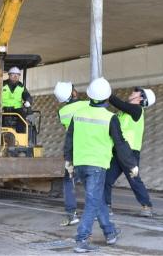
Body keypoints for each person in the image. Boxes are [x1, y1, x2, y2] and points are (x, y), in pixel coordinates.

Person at [64, 77, 139, 253]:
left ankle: (110, 232)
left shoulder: (78, 114)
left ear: (89, 95)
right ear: (107, 97)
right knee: (92, 202)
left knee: (96, 199)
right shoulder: (110, 118)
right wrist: (132, 165)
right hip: (97, 165)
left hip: (81, 164)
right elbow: (120, 144)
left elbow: (69, 139)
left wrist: (68, 161)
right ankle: (82, 239)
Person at [104, 87, 156, 217]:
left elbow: (119, 103)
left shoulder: (137, 110)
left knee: (134, 179)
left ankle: (147, 206)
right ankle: (106, 206)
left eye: (136, 92)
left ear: (141, 98)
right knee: (106, 179)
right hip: (117, 151)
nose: (133, 92)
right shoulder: (122, 113)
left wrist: (106, 93)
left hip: (129, 153)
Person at [54, 81, 88, 227]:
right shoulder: (87, 105)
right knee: (92, 181)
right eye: (74, 89)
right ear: (72, 93)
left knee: (69, 181)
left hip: (74, 150)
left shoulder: (62, 113)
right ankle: (95, 212)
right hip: (91, 148)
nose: (76, 90)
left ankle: (71, 214)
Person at [1, 66, 33, 133]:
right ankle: (1, 133)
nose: (15, 76)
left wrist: (28, 101)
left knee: (23, 115)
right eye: (13, 74)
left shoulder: (21, 86)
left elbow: (26, 95)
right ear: (9, 75)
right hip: (3, 108)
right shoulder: (1, 84)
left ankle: (20, 134)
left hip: (17, 109)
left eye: (17, 75)